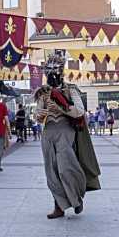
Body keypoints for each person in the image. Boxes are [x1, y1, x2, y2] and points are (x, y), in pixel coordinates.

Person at [35, 53, 101, 219]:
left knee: (66, 168)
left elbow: (79, 110)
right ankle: (59, 206)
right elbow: (36, 113)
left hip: (66, 131)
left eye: (54, 71)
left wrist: (63, 109)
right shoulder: (42, 92)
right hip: (48, 132)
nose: (52, 75)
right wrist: (39, 114)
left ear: (61, 72)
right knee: (52, 170)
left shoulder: (71, 89)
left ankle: (76, 199)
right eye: (48, 72)